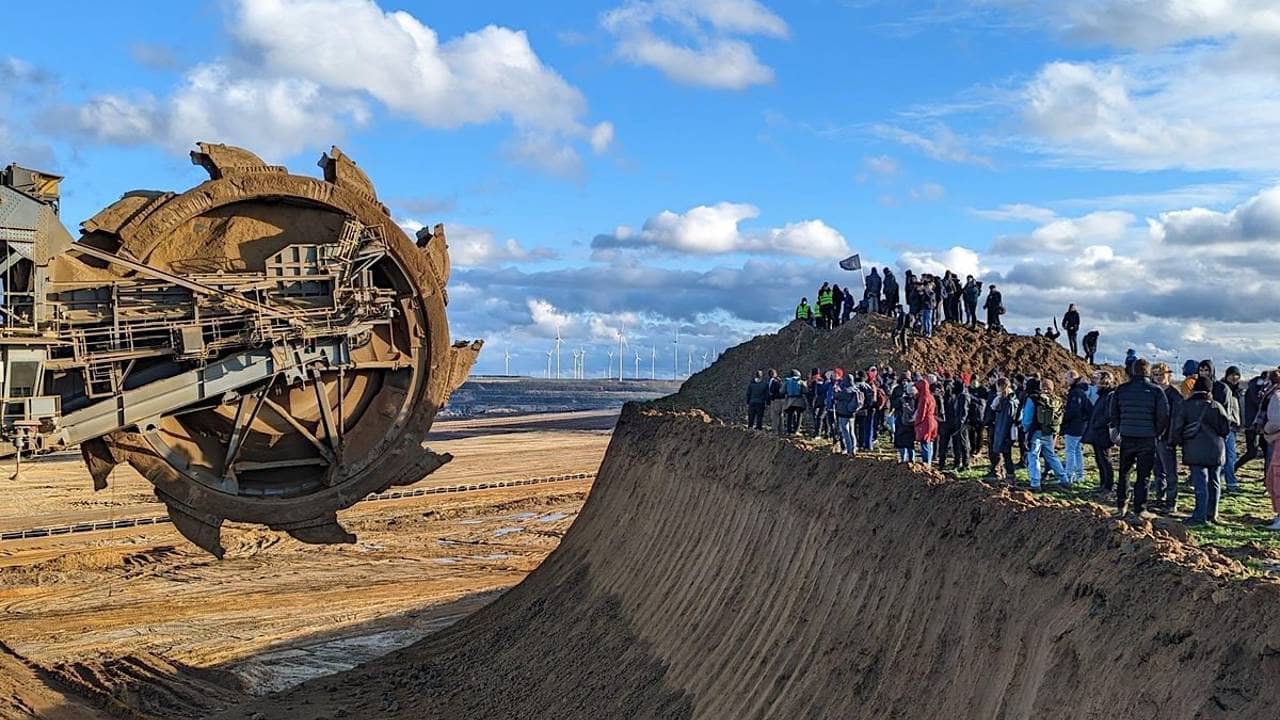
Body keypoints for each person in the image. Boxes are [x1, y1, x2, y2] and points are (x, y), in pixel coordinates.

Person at [1109, 358, 1170, 519]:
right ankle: (1140, 508)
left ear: (1133, 371)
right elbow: (1164, 415)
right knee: (1144, 475)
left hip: (1127, 437)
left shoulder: (1121, 389)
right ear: (1149, 372)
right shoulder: (1156, 391)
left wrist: (1119, 428)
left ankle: (1121, 505)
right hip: (1147, 438)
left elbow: (1113, 412)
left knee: (1124, 472)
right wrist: (1156, 432)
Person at [1171, 376, 1231, 525]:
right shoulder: (1217, 406)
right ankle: (1212, 514)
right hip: (1216, 449)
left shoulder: (1185, 405)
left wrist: (1175, 442)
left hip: (1194, 448)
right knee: (1215, 482)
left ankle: (1199, 516)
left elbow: (1177, 428)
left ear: (1194, 388)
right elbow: (1225, 429)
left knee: (1200, 483)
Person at [1021, 377, 1069, 489]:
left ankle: (1035, 482)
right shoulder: (1055, 399)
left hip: (1035, 431)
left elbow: (1027, 418)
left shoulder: (1033, 398)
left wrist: (1025, 429)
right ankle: (1064, 479)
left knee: (1033, 456)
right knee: (1051, 455)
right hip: (1048, 431)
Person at [1150, 363, 1184, 513]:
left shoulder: (1174, 395)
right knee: (1157, 470)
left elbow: (1177, 420)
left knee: (1170, 471)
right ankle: (1160, 497)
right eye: (1155, 374)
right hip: (1153, 436)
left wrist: (1172, 438)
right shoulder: (1152, 392)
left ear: (1168, 375)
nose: (1158, 377)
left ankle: (1172, 502)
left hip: (1167, 438)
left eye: (1161, 374)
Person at [1085, 371, 1117, 497]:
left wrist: (1098, 423)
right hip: (1097, 431)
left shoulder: (1109, 394)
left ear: (1105, 380)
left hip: (1102, 432)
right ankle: (1103, 484)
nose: (1094, 380)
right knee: (1099, 459)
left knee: (1105, 459)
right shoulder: (1102, 394)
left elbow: (1108, 414)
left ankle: (1108, 486)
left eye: (1097, 378)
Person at [1062, 370, 1093, 486]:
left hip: (1074, 426)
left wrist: (1064, 420)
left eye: (1066, 378)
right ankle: (1080, 475)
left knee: (1070, 451)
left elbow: (1073, 411)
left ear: (1073, 378)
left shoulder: (1076, 393)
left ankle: (1069, 475)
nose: (1065, 380)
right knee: (1077, 451)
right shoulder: (1082, 391)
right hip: (1081, 426)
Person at [1217, 365, 1244, 492]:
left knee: (1230, 456)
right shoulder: (1222, 389)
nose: (1234, 377)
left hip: (1233, 427)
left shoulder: (1238, 391)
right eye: (1232, 375)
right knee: (1228, 456)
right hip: (1225, 427)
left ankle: (1226, 479)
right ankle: (1230, 483)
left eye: (1236, 375)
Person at [1259, 370, 1280, 529]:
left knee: (1276, 477)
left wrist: (1267, 430)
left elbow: (1275, 420)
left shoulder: (1276, 396)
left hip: (1277, 440)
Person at [1238, 370, 1271, 473]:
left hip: (1261, 425)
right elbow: (1258, 402)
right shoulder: (1255, 388)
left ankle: (1267, 478)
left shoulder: (1257, 387)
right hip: (1253, 425)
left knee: (1267, 452)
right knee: (1252, 452)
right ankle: (1231, 469)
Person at [988, 377, 1019, 485]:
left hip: (1006, 433)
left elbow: (1006, 421)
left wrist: (1001, 436)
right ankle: (1006, 475)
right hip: (1006, 432)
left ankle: (1010, 477)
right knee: (1006, 454)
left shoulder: (1008, 402)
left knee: (1007, 455)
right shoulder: (1006, 399)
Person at [939, 379, 971, 470]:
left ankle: (963, 463)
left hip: (959, 424)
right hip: (948, 423)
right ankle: (944, 463)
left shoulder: (962, 396)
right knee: (946, 444)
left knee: (962, 444)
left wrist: (959, 424)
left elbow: (963, 412)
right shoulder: (948, 396)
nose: (950, 388)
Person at [914, 378, 939, 464]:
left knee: (924, 442)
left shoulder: (924, 398)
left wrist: (917, 422)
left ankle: (926, 462)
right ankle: (929, 462)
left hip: (926, 422)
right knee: (930, 442)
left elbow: (922, 412)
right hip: (932, 421)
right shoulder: (931, 396)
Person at [833, 376, 860, 455]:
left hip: (844, 413)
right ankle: (854, 448)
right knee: (852, 431)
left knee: (845, 431)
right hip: (852, 413)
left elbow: (836, 396)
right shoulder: (856, 389)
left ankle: (849, 450)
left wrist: (835, 389)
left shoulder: (846, 391)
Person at [894, 381, 918, 462]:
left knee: (901, 442)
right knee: (911, 444)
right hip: (912, 424)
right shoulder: (917, 400)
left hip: (901, 422)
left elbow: (895, 405)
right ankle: (912, 460)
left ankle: (902, 459)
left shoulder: (901, 399)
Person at [783, 369, 808, 435]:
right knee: (799, 415)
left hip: (789, 401)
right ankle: (796, 430)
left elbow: (782, 391)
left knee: (789, 415)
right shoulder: (800, 381)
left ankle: (789, 431)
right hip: (799, 400)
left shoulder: (787, 381)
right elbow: (805, 390)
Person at [767, 369, 785, 435]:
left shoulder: (772, 382)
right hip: (782, 400)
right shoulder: (779, 381)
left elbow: (771, 392)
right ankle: (781, 430)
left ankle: (775, 430)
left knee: (775, 415)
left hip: (775, 400)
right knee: (781, 415)